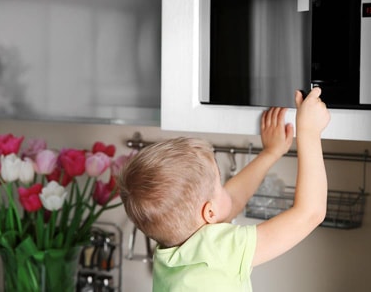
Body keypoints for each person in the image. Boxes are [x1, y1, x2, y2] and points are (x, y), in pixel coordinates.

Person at [117, 87, 330, 291]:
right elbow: (310, 213)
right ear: (209, 212)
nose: (224, 188)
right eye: (219, 184)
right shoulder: (220, 250)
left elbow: (229, 202)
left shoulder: (170, 256)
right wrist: (309, 131)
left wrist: (270, 153)